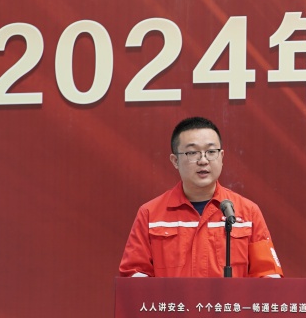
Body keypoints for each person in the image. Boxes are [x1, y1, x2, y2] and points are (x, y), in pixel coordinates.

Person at [119, 117, 283, 278]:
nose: (203, 160)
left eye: (211, 152)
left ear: (221, 156)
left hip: (231, 299)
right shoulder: (150, 214)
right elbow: (134, 276)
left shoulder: (248, 212)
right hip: (173, 298)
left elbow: (269, 276)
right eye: (192, 153)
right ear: (175, 160)